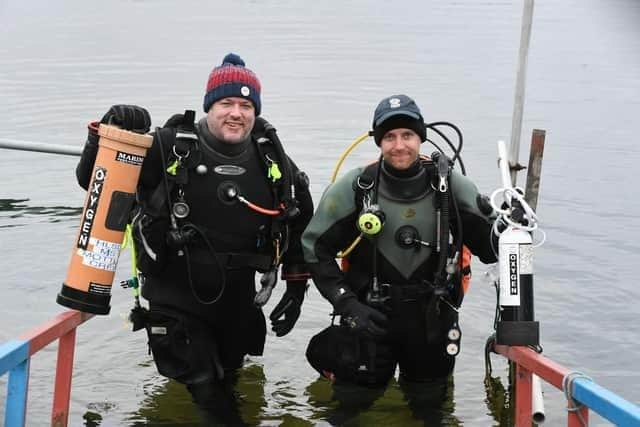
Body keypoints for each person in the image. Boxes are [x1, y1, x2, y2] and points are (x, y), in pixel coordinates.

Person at [75, 53, 313, 424]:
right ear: (209, 106)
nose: (236, 113)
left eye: (246, 105)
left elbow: (297, 218)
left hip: (236, 300)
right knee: (208, 391)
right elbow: (93, 181)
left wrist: (296, 288)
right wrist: (106, 133)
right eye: (226, 103)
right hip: (173, 298)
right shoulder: (169, 147)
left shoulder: (271, 158)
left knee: (230, 381)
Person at [302, 94, 497, 421]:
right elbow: (313, 248)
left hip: (431, 324)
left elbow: (489, 249)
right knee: (349, 410)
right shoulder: (355, 188)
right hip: (368, 320)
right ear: (379, 141)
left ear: (421, 136)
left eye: (407, 135)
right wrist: (347, 304)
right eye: (389, 137)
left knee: (431, 409)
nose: (399, 145)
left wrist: (510, 229)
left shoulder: (449, 186)